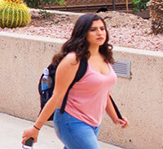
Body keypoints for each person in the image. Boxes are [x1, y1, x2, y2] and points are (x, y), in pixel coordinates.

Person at [22, 14, 129, 148]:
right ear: (83, 33)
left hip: (94, 123)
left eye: (102, 28)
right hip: (71, 122)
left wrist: (115, 117)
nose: (100, 33)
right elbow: (57, 96)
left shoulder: (104, 57)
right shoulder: (73, 60)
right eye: (93, 30)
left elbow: (104, 92)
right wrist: (36, 128)